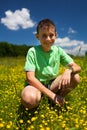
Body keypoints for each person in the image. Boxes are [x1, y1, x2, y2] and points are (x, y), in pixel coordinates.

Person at [21, 18, 81, 109]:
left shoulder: (58, 51)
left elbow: (77, 67)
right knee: (29, 99)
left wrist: (69, 70)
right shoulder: (33, 51)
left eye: (51, 35)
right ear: (37, 36)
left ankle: (57, 100)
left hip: (52, 84)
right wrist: (52, 95)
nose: (48, 39)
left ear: (56, 35)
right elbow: (30, 78)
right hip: (35, 86)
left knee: (75, 77)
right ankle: (49, 99)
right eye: (44, 35)